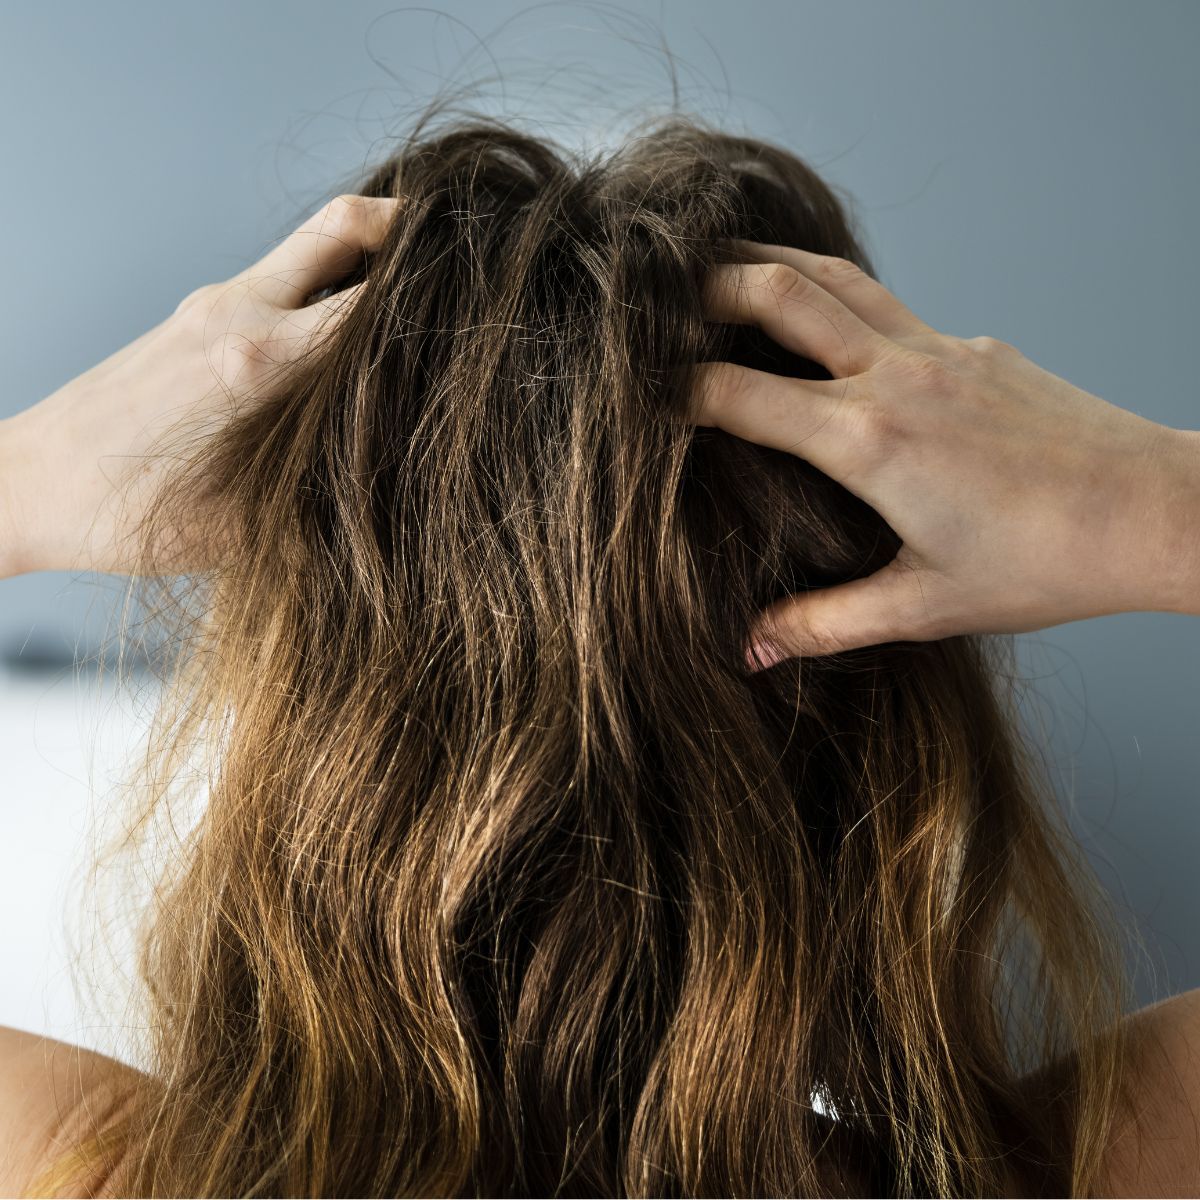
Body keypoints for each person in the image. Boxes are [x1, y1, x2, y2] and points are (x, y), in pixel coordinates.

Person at [0, 114, 1197, 1197]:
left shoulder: (89, 1171)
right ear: (893, 741)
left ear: (307, 728)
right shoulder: (1114, 1169)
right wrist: (1150, 506)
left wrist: (29, 473)